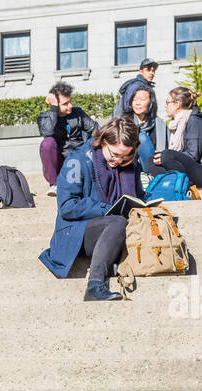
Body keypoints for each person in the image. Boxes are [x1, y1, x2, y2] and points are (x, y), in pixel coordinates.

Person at [38, 115, 143, 302]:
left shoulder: (131, 163)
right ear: (103, 141)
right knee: (118, 222)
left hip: (113, 227)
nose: (118, 160)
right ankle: (95, 286)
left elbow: (138, 197)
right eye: (114, 154)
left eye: (125, 155)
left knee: (124, 221)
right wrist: (107, 209)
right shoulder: (77, 160)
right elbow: (67, 207)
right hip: (76, 232)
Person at [147, 87, 202, 190]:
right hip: (188, 168)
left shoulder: (194, 121)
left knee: (167, 155)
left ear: (177, 105)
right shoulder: (176, 123)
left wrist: (167, 155)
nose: (165, 106)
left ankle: (180, 186)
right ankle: (168, 186)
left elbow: (193, 155)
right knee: (151, 160)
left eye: (167, 103)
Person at [37, 81, 98, 196]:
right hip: (60, 160)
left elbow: (96, 131)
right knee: (47, 143)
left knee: (95, 140)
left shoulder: (78, 112)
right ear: (56, 103)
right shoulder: (45, 117)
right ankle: (54, 185)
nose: (70, 105)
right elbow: (47, 131)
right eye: (65, 103)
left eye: (70, 101)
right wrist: (54, 108)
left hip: (78, 157)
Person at [127, 87, 166, 173]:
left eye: (142, 99)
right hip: (131, 165)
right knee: (141, 137)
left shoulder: (159, 123)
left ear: (150, 102)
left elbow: (163, 150)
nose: (137, 103)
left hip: (153, 164)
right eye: (134, 100)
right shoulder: (126, 122)